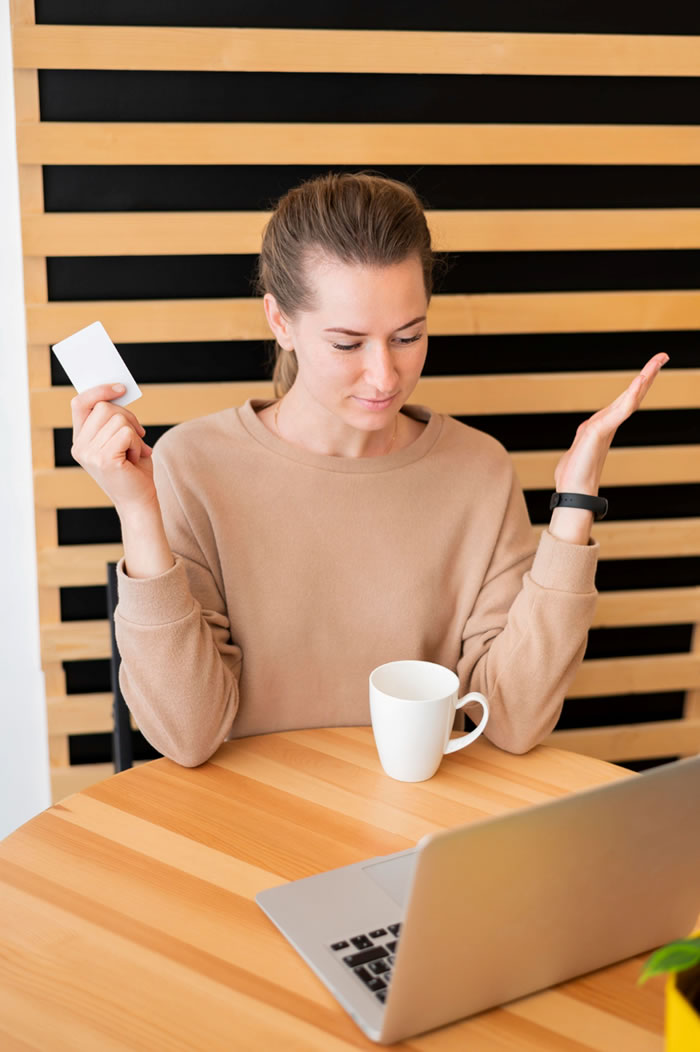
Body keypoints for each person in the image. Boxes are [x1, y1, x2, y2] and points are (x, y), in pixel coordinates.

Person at [70, 172, 668, 767]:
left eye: (408, 336)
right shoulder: (193, 465)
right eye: (348, 344)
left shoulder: (478, 471)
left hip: (420, 835)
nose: (385, 377)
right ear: (280, 322)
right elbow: (188, 735)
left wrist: (574, 506)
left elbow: (512, 719)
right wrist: (137, 510)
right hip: (248, 837)